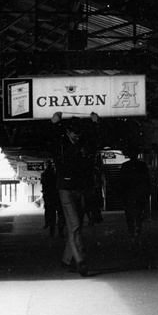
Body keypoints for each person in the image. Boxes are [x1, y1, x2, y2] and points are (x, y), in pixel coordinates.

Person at [49, 111, 101, 276]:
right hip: (66, 189)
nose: (76, 136)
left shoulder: (84, 142)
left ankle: (66, 260)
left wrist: (95, 123)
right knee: (76, 225)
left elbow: (94, 141)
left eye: (79, 133)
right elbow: (54, 138)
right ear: (67, 132)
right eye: (73, 133)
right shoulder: (60, 143)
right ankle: (80, 262)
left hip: (81, 188)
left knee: (75, 225)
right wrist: (55, 123)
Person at [119, 146, 151, 238]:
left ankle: (131, 230)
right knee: (139, 212)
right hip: (139, 192)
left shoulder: (125, 166)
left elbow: (122, 181)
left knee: (129, 213)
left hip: (128, 193)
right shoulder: (142, 165)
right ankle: (138, 228)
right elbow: (146, 180)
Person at [40, 160, 65, 237]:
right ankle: (60, 231)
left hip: (49, 197)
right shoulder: (57, 174)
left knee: (51, 214)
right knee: (61, 214)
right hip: (57, 196)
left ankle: (52, 231)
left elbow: (44, 185)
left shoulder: (44, 174)